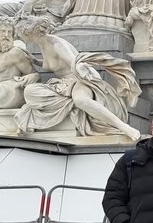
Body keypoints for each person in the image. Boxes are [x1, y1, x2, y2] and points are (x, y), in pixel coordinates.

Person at [12, 17, 141, 141]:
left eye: (18, 32)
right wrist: (34, 61)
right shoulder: (42, 43)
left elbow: (74, 61)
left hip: (79, 79)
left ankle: (124, 127)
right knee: (29, 91)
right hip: (62, 84)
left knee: (81, 100)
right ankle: (67, 103)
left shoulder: (56, 44)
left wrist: (81, 69)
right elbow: (50, 64)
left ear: (26, 32)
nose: (18, 35)